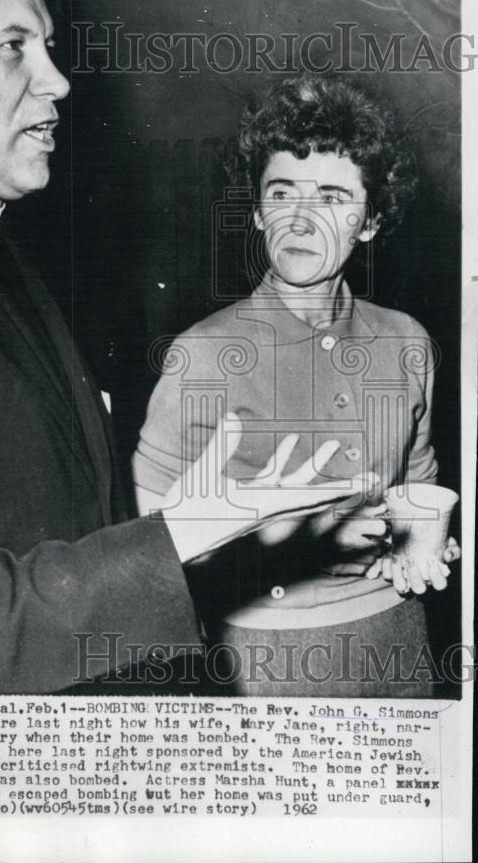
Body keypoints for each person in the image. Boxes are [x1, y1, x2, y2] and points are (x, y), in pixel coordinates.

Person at [0, 0, 370, 695]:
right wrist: (173, 541)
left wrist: (185, 529)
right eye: (13, 46)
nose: (58, 82)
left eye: (47, 45)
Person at [133, 76, 460, 697]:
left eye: (333, 197)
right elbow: (146, 551)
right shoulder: (202, 355)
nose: (302, 219)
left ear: (371, 221)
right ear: (257, 212)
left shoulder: (407, 340)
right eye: (281, 193)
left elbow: (418, 486)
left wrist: (417, 546)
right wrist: (306, 541)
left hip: (399, 640)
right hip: (260, 659)